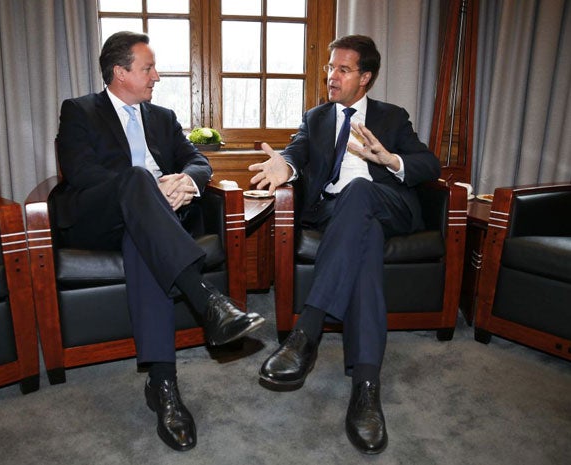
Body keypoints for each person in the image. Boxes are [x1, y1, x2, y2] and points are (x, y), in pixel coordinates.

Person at [55, 31, 264, 451]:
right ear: (120, 72)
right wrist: (150, 188)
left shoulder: (163, 117)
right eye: (148, 68)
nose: (156, 76)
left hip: (152, 226)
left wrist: (186, 179)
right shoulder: (80, 111)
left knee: (143, 243)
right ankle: (208, 300)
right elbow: (82, 174)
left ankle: (163, 385)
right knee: (136, 178)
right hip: (99, 219)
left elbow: (198, 160)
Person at [249, 35, 440, 454]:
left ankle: (306, 334)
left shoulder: (392, 117)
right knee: (362, 234)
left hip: (388, 203)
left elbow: (429, 164)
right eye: (330, 67)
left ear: (366, 77)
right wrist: (285, 165)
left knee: (359, 191)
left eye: (343, 69)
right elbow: (296, 153)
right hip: (339, 213)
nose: (331, 77)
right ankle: (366, 388)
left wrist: (387, 158)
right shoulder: (316, 117)